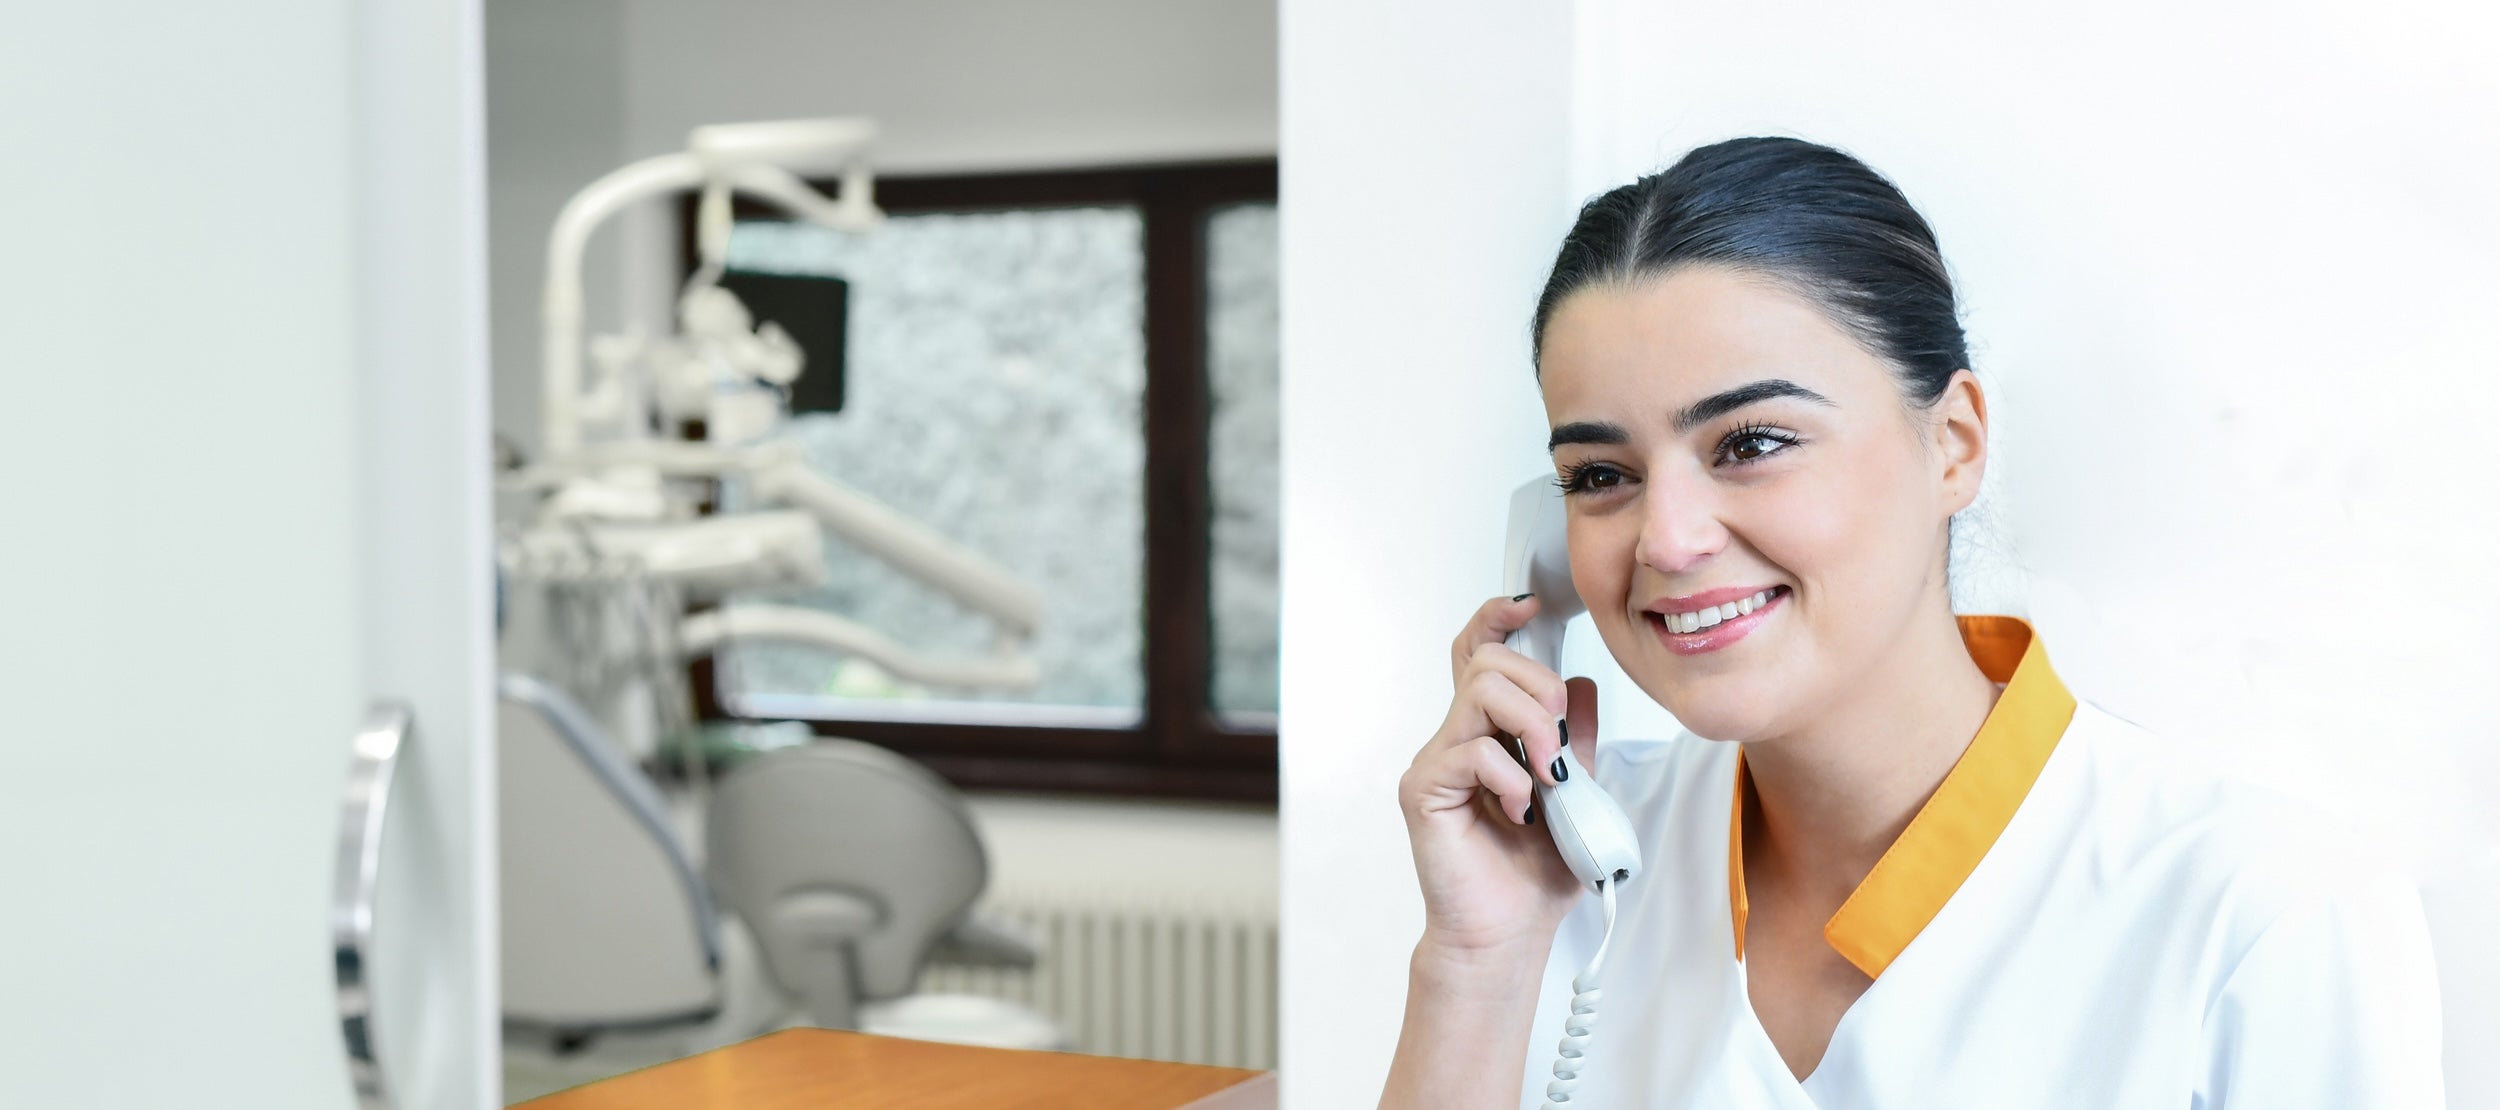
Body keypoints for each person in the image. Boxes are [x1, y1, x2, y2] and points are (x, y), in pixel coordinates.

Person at [1380, 136, 2444, 1108]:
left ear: (1954, 445)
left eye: (1749, 443)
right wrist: (1477, 965)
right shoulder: (1567, 868)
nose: (1665, 537)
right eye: (1600, 473)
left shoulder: (2267, 912)